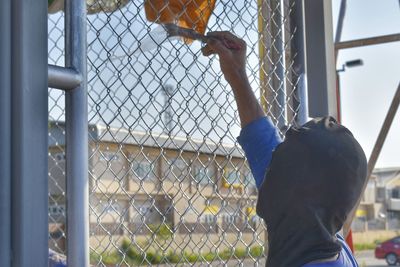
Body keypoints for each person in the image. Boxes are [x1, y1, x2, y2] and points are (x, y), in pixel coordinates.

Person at [202, 31, 367, 267]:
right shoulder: (327, 239)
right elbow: (261, 138)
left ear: (289, 190)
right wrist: (237, 74)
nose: (272, 157)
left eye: (280, 156)